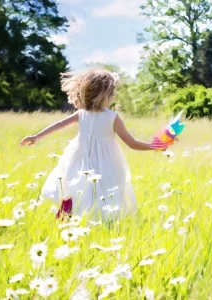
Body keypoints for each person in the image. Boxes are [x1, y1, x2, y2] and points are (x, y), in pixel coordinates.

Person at [20, 68, 159, 220]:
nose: (114, 96)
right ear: (103, 94)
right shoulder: (112, 117)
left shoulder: (82, 113)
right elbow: (131, 143)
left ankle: (69, 216)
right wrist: (154, 146)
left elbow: (60, 124)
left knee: (76, 185)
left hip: (79, 158)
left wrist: (37, 136)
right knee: (105, 191)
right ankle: (101, 220)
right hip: (106, 162)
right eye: (112, 93)